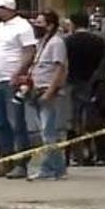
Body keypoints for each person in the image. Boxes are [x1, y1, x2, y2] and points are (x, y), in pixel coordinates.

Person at [0, 0, 36, 179]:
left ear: (8, 9)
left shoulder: (22, 26)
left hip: (11, 81)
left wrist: (19, 72)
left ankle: (21, 163)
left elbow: (30, 52)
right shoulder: (0, 27)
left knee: (16, 123)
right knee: (1, 123)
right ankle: (7, 160)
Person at [25, 10, 68, 181]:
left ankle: (48, 169)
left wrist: (50, 91)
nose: (36, 26)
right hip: (37, 90)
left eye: (40, 23)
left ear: (50, 25)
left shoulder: (56, 43)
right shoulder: (42, 42)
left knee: (48, 133)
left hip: (47, 92)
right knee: (47, 133)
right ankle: (58, 169)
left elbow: (59, 69)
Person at [65, 12, 105, 166]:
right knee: (96, 120)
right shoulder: (99, 41)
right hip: (95, 83)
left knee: (74, 120)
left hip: (74, 83)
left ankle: (76, 156)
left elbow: (64, 64)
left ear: (74, 24)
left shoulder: (68, 42)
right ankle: (101, 156)